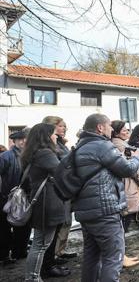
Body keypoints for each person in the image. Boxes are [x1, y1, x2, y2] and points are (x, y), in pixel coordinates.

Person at [70, 114, 139, 281]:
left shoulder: (80, 146)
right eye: (109, 125)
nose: (111, 129)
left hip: (86, 211)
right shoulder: (102, 146)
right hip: (105, 210)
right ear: (100, 128)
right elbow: (127, 169)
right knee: (113, 257)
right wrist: (137, 157)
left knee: (92, 256)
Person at [22, 123, 69, 280]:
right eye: (54, 134)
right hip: (46, 203)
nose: (57, 136)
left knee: (39, 243)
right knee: (40, 245)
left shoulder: (36, 152)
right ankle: (33, 278)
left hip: (44, 202)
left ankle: (33, 277)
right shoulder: (44, 153)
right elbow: (62, 172)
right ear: (46, 136)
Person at [111, 120, 139, 268]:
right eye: (124, 130)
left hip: (127, 186)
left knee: (123, 225)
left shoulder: (121, 144)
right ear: (117, 131)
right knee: (122, 225)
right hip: (126, 187)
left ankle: (121, 255)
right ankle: (120, 257)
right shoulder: (118, 145)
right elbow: (128, 166)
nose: (127, 132)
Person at [41, 116, 76, 269]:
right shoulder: (47, 148)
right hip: (56, 191)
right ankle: (51, 259)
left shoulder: (61, 143)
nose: (64, 129)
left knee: (65, 223)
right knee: (54, 229)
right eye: (61, 126)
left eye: (64, 126)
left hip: (64, 190)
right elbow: (61, 165)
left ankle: (58, 252)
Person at [0, 129, 31, 265]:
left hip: (26, 199)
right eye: (20, 139)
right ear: (15, 141)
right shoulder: (6, 156)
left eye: (26, 139)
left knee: (24, 226)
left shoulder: (32, 156)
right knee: (4, 228)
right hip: (6, 198)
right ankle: (3, 255)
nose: (24, 141)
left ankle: (20, 252)